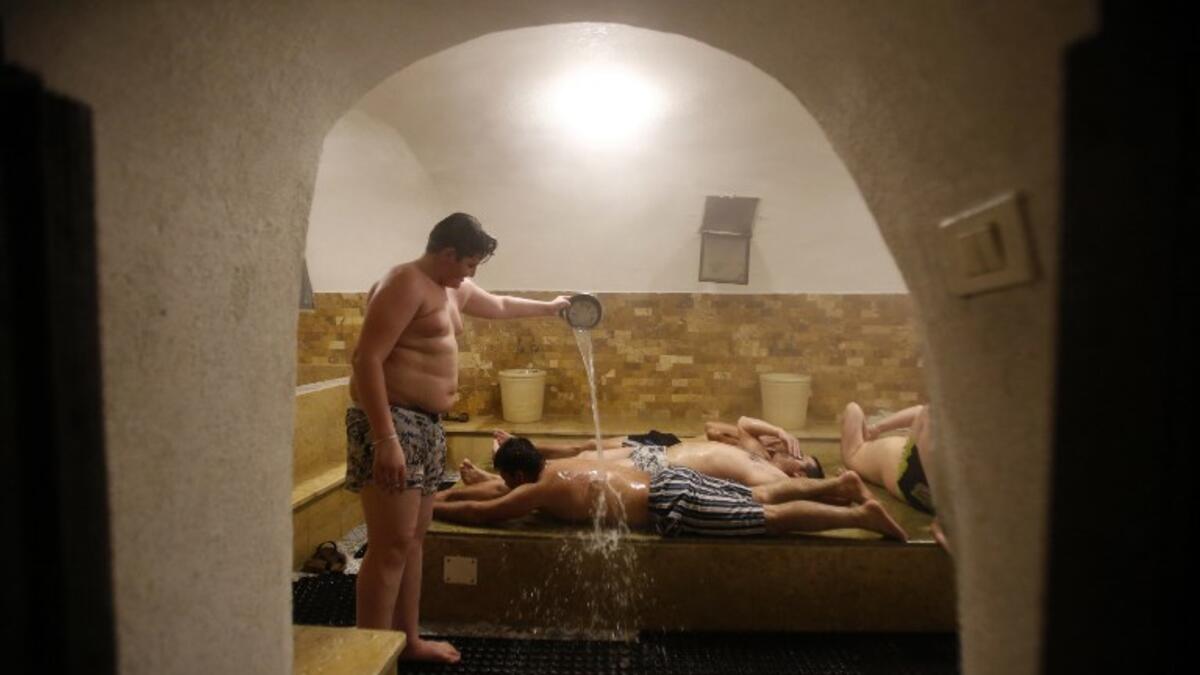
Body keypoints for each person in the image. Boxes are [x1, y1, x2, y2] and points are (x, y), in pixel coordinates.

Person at [345, 212, 569, 664]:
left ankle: (408, 642)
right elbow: (366, 360)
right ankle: (368, 658)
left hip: (426, 425)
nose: (472, 273)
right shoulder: (404, 283)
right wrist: (386, 439)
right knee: (389, 547)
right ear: (447, 253)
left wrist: (550, 307)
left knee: (413, 542)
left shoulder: (452, 289)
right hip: (394, 421)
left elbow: (501, 305)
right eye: (469, 262)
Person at [434, 437, 908, 541]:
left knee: (768, 520)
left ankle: (857, 517)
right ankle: (837, 485)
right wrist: (442, 494)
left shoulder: (532, 492)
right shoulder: (562, 465)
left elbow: (485, 514)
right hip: (669, 481)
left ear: (516, 476)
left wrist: (429, 510)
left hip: (670, 503)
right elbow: (494, 492)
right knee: (760, 497)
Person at [839, 402, 949, 549]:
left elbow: (853, 408)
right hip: (923, 485)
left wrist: (877, 427)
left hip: (918, 483)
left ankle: (944, 514)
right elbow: (923, 412)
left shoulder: (855, 454)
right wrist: (878, 427)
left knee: (853, 408)